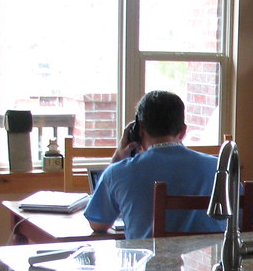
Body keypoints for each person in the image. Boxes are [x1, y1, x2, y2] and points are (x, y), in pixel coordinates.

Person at [84, 90, 226, 239]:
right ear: (183, 131)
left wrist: (118, 157)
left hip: (147, 260)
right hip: (208, 261)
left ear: (140, 132)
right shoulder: (220, 169)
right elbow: (247, 218)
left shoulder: (118, 172)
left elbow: (97, 224)